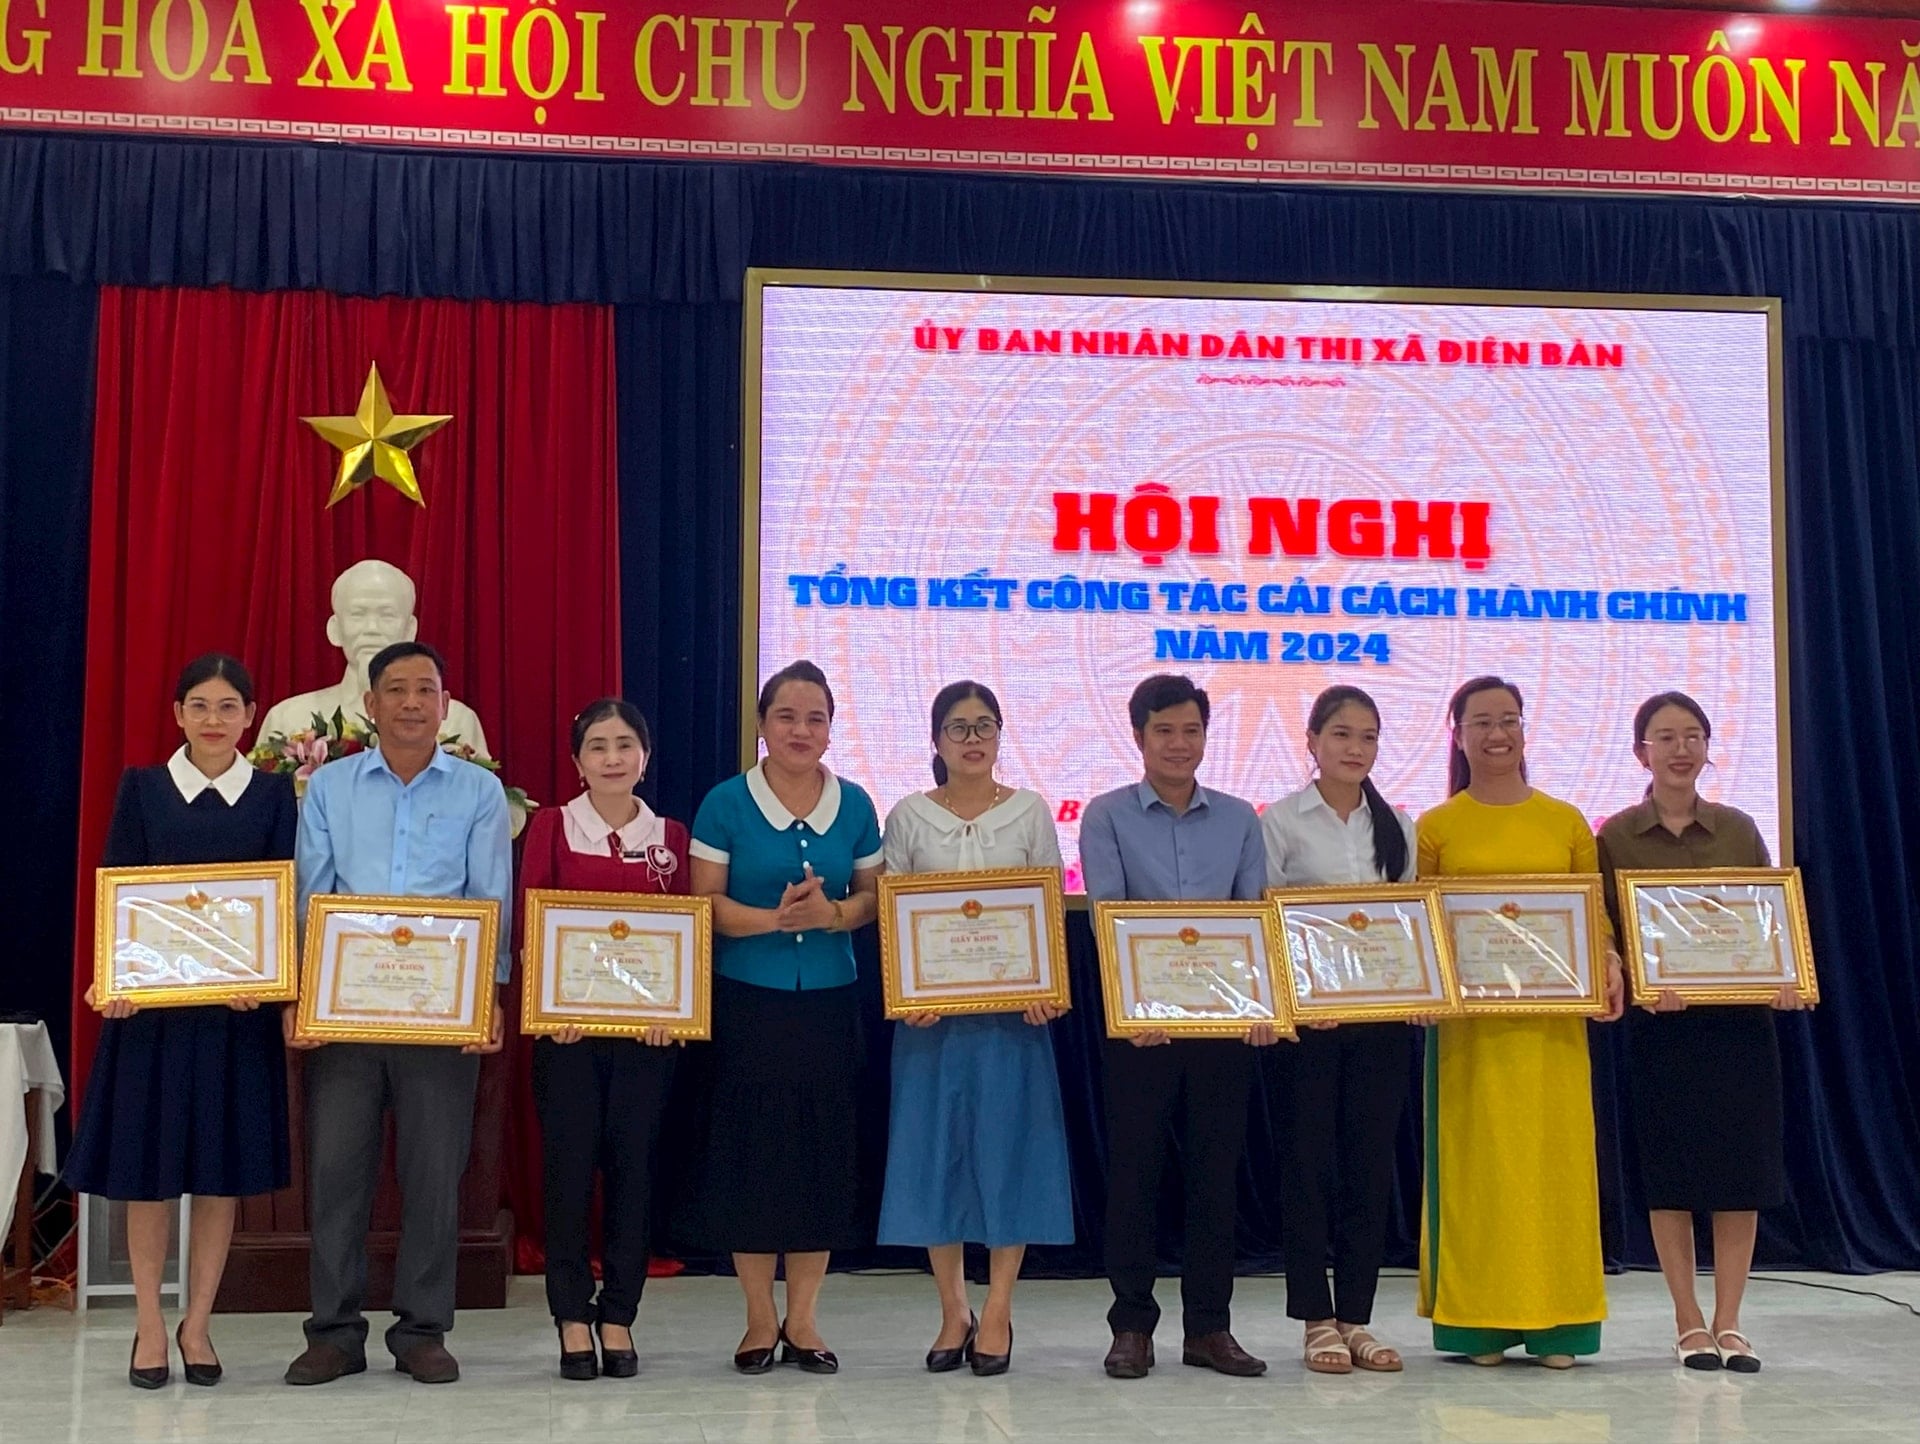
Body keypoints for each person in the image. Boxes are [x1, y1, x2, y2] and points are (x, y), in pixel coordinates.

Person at [283, 641, 512, 1387]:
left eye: (426, 690)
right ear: (370, 704)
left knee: (434, 1175)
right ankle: (333, 1332)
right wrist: (302, 996)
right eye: (397, 689)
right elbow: (311, 896)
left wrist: (488, 997)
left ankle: (422, 1330)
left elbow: (491, 897)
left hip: (442, 1013)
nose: (412, 702)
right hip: (345, 1011)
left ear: (445, 706)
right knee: (336, 1174)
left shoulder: (479, 792)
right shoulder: (330, 787)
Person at [69, 654, 298, 1389]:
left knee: (220, 1175)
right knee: (150, 1175)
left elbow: (281, 897)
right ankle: (147, 1324)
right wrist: (116, 977)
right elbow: (118, 887)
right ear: (177, 714)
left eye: (228, 706)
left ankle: (197, 1324)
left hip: (234, 1020)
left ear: (250, 717)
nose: (213, 719)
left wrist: (267, 980)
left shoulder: (273, 795)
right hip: (152, 1018)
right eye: (199, 705)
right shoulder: (142, 789)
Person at [1415, 675, 1624, 1369]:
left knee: (1555, 1170)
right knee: (1479, 1172)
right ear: (1458, 735)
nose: (1496, 733)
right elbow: (1420, 922)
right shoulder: (1436, 827)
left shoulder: (1566, 822)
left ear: (1525, 730)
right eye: (1481, 722)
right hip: (1468, 1036)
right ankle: (1479, 1323)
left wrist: (1610, 960)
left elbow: (1594, 917)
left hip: (1553, 1030)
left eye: (1508, 719)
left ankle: (1561, 1325)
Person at [1080, 673, 1280, 1381]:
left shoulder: (1240, 819)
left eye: (1191, 730)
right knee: (1134, 1176)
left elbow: (1254, 919)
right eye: (1164, 730)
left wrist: (1261, 1007)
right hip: (1142, 1030)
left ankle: (1209, 1328)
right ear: (1139, 737)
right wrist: (1134, 1008)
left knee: (1215, 1179)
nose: (1179, 743)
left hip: (1222, 1029)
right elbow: (1106, 918)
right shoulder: (1106, 815)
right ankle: (1131, 1326)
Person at [687, 660, 883, 1376]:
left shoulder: (856, 804)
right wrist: (777, 919)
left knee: (820, 1156)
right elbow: (705, 904)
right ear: (762, 725)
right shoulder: (725, 803)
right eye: (787, 717)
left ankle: (803, 1320)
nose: (801, 730)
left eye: (815, 718)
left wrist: (833, 915)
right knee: (750, 1155)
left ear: (831, 728)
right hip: (749, 1002)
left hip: (830, 1001)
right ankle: (758, 1318)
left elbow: (874, 898)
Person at [1596, 691, 1801, 1374]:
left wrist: (1784, 974)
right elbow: (1606, 931)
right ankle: (1688, 1321)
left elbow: (1771, 919)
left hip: (1740, 1028)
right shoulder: (1616, 836)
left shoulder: (1739, 829)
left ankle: (1730, 1322)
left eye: (1693, 735)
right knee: (1672, 1178)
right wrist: (1633, 975)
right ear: (1641, 753)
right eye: (1665, 737)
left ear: (1708, 748)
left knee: (1742, 1176)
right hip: (1663, 1029)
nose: (1680, 749)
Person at [877, 681, 1074, 1378]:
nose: (972, 739)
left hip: (1012, 1023)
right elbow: (893, 912)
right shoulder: (908, 815)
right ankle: (952, 1309)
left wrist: (1047, 991)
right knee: (935, 1160)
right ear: (936, 739)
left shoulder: (1029, 811)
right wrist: (905, 993)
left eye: (984, 725)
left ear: (999, 735)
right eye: (958, 727)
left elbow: (1048, 906)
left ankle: (997, 1309)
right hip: (931, 1023)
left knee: (1009, 1157)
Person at [520, 699, 689, 1381]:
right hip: (568, 1036)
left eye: (625, 745)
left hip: (647, 1040)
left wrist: (674, 1009)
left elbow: (685, 933)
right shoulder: (552, 826)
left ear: (645, 757)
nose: (612, 757)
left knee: (633, 1173)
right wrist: (549, 1004)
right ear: (577, 761)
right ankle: (570, 1316)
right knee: (567, 1174)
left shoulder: (672, 836)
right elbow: (532, 925)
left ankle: (619, 1314)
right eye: (597, 746)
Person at [1260, 685, 1419, 1375]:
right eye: (1342, 735)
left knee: (1368, 1167)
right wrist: (1295, 1001)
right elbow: (1266, 918)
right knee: (1307, 1168)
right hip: (1310, 1025)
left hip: (1381, 1025)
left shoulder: (1399, 825)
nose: (1356, 749)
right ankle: (1314, 1319)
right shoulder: (1281, 822)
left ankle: (1355, 1316)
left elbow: (1411, 923)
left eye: (1368, 737)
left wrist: (1420, 989)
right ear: (1313, 741)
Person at [257, 559, 487, 753]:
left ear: (410, 630)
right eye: (358, 614)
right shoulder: (288, 718)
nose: (372, 628)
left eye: (387, 615)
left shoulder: (455, 720)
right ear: (334, 629)